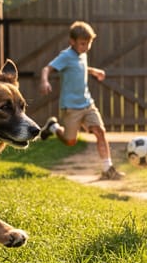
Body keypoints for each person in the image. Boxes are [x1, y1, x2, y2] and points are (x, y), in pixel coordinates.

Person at [39, 21, 125, 180]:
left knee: (100, 132)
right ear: (72, 42)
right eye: (83, 43)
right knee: (70, 141)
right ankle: (53, 127)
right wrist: (45, 81)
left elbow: (81, 68)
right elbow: (47, 68)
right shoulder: (66, 56)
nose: (86, 47)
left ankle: (108, 169)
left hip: (87, 103)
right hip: (71, 107)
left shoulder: (82, 54)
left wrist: (93, 71)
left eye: (89, 43)